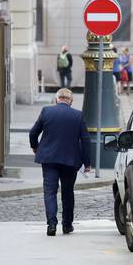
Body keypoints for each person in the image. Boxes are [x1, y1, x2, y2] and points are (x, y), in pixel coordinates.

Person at [29, 88, 91, 236]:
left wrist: (35, 147)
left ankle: (51, 223)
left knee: (50, 191)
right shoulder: (78, 115)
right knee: (68, 192)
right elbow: (86, 140)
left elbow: (33, 132)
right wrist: (87, 163)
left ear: (57, 99)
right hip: (70, 160)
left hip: (49, 159)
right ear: (71, 101)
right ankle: (67, 225)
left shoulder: (46, 111)